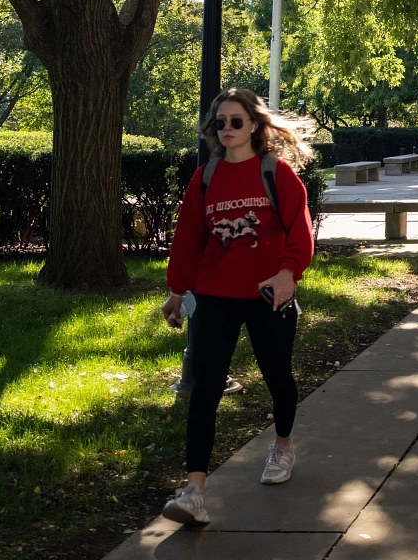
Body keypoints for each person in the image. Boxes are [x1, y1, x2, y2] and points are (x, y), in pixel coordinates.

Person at [159, 88, 316, 525]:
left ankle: (282, 446)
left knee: (278, 378)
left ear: (255, 126)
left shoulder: (277, 173)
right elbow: (188, 238)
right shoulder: (205, 177)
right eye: (220, 123)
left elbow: (300, 232)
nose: (227, 129)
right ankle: (194, 491)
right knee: (204, 390)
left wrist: (288, 273)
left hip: (269, 295)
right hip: (215, 296)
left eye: (236, 121)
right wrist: (177, 290)